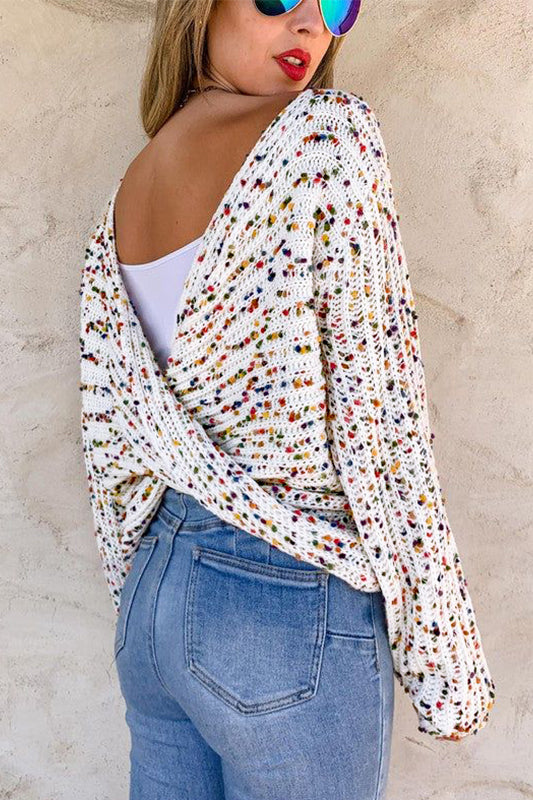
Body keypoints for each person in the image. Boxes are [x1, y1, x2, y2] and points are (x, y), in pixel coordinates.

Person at [79, 0, 495, 797]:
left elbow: (111, 443)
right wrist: (442, 659)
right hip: (281, 601)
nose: (309, 25)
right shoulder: (323, 137)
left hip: (153, 597)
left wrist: (153, 589)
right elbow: (381, 421)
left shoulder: (133, 183)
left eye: (336, 4)